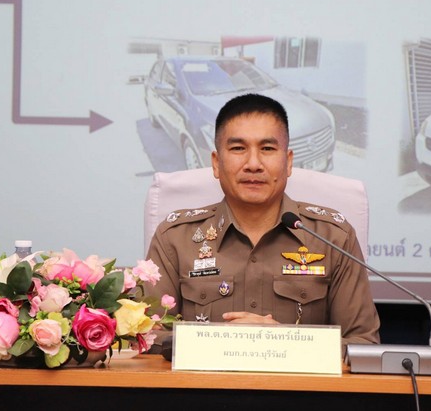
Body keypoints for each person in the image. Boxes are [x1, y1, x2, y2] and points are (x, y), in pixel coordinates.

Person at [145, 93, 380, 354]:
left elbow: (363, 345)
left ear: (288, 162)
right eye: (238, 149)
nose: (253, 164)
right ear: (216, 163)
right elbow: (147, 339)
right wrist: (220, 341)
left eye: (267, 149)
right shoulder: (175, 238)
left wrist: (281, 339)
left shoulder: (332, 237)